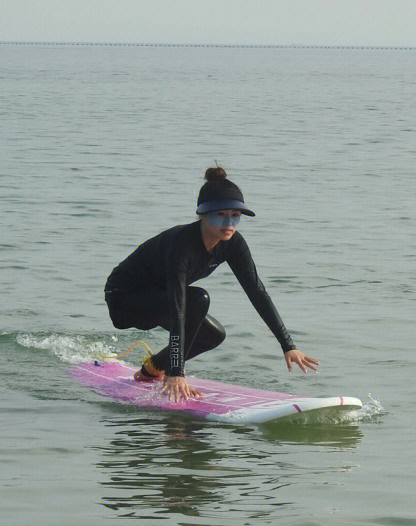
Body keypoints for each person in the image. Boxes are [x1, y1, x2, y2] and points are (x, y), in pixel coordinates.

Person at [105, 167, 319, 401]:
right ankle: (169, 373)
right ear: (203, 215)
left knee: (213, 335)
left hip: (160, 298)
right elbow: (179, 307)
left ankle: (152, 369)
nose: (229, 223)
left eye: (235, 215)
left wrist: (288, 345)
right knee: (198, 300)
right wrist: (177, 372)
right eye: (221, 215)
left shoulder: (233, 243)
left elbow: (256, 291)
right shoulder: (182, 245)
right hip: (124, 299)